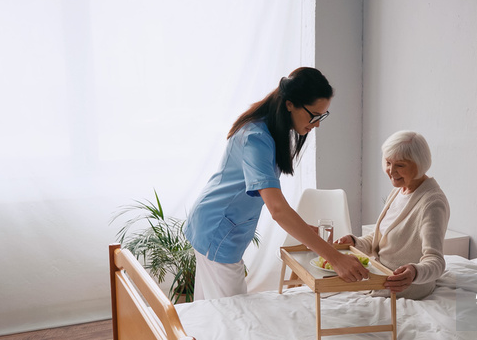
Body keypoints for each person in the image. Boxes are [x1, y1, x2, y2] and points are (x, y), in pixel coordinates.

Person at [184, 67, 369, 300]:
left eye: (322, 116)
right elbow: (277, 209)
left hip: (219, 224)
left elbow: (276, 203)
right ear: (290, 104)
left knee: (214, 309)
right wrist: (335, 258)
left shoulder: (268, 131)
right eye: (314, 115)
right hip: (217, 227)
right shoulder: (256, 138)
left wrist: (305, 231)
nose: (317, 124)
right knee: (229, 314)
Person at [337, 130, 450, 300]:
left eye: (400, 165)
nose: (391, 171)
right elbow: (384, 239)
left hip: (404, 290)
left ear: (420, 164)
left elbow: (436, 261)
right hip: (377, 277)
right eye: (388, 163)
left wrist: (414, 272)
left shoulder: (432, 203)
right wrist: (356, 242)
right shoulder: (400, 190)